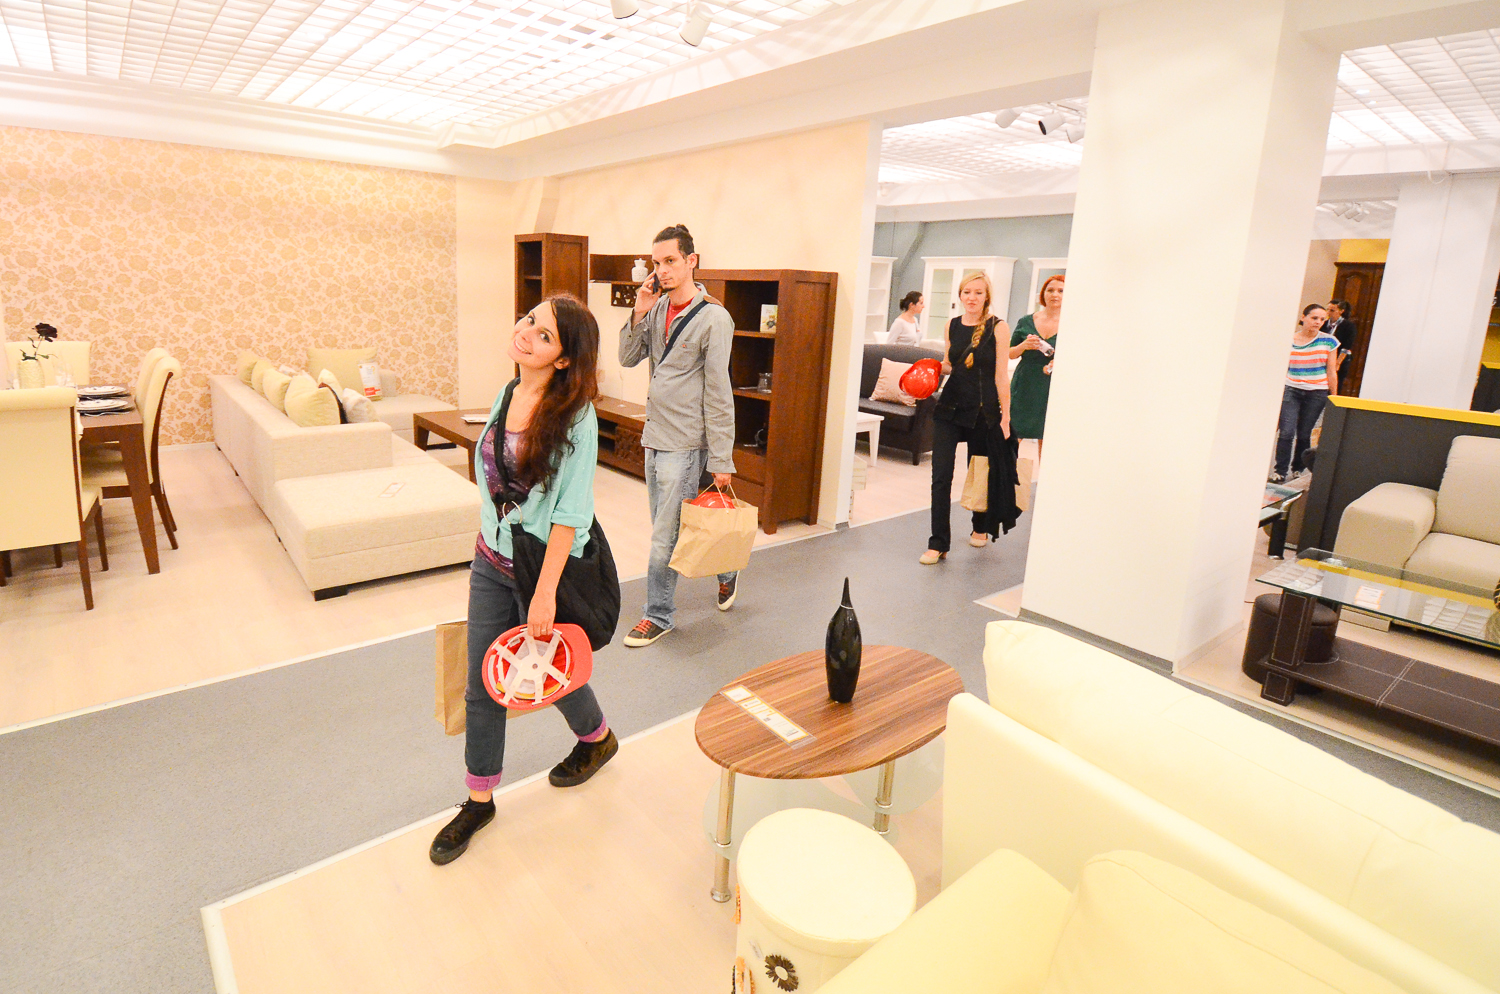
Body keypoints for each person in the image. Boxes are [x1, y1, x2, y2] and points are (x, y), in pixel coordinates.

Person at [430, 294, 617, 866]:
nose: (526, 332)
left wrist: (542, 595)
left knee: (544, 665)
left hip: (543, 568)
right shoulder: (507, 393)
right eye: (530, 320)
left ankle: (596, 739)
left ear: (563, 359)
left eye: (545, 335)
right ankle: (478, 800)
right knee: (485, 680)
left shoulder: (577, 419)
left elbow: (570, 515)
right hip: (491, 557)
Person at [618, 224, 739, 647]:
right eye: (657, 263)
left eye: (670, 261)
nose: (662, 270)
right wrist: (639, 308)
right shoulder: (656, 310)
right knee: (669, 527)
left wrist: (721, 459)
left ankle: (658, 614)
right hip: (654, 437)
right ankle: (728, 569)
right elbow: (627, 357)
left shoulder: (714, 319)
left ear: (691, 260)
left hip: (686, 443)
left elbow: (719, 392)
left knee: (663, 537)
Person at [921, 272, 1019, 565]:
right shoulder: (951, 325)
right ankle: (938, 543)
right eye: (967, 292)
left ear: (986, 297)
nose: (972, 297)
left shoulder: (998, 327)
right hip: (950, 408)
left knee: (979, 471)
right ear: (960, 295)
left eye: (978, 292)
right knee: (940, 476)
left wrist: (1005, 417)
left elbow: (1001, 376)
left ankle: (980, 526)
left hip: (983, 411)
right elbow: (951, 365)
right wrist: (931, 366)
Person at [1270, 304, 1338, 484]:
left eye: (1322, 319)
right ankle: (1279, 470)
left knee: (1304, 432)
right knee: (1286, 431)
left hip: (1317, 391)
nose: (1318, 322)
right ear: (1303, 318)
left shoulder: (1329, 341)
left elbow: (1331, 370)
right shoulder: (1289, 340)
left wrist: (1334, 396)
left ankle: (1298, 468)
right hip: (1291, 388)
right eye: (1314, 318)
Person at [1008, 274, 1063, 458]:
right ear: (1043, 294)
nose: (1055, 294)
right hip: (1025, 383)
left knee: (1047, 437)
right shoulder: (1026, 321)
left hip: (1052, 385)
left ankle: (1044, 477)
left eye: (1061, 291)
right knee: (1013, 433)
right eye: (1050, 290)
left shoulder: (1071, 324)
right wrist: (1024, 346)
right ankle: (1004, 473)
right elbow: (1010, 353)